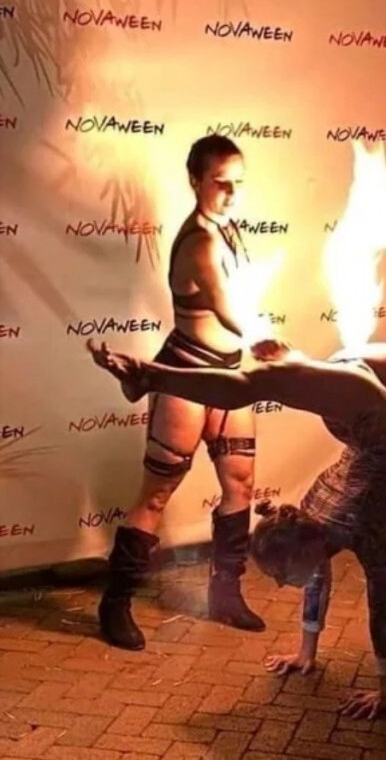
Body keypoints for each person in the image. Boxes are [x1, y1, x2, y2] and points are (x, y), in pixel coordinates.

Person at [88, 204, 386, 718]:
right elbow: (317, 579)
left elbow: (381, 615)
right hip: (359, 423)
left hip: (367, 419)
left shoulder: (356, 527)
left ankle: (152, 376)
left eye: (283, 576)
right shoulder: (319, 522)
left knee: (251, 386)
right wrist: (306, 653)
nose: (282, 586)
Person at [99, 135, 267, 653]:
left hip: (228, 374)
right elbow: (228, 309)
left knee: (240, 483)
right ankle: (115, 604)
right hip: (189, 374)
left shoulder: (228, 229)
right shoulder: (201, 243)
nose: (231, 193)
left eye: (238, 183)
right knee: (157, 493)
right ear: (195, 182)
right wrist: (270, 342)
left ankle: (225, 595)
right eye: (221, 183)